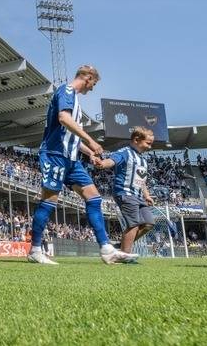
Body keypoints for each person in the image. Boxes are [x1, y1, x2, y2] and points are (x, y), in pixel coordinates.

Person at [28, 65, 136, 265]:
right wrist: (92, 141)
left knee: (94, 197)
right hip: (54, 155)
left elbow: (70, 136)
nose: (93, 88)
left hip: (71, 158)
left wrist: (89, 152)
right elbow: (64, 119)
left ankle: (106, 249)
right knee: (49, 200)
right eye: (94, 83)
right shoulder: (67, 91)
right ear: (87, 77)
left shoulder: (74, 99)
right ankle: (35, 250)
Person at [93, 126, 156, 261]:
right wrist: (102, 164)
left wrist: (147, 195)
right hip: (125, 193)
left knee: (149, 223)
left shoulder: (143, 160)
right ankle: (124, 255)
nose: (150, 147)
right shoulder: (125, 152)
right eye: (148, 143)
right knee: (133, 224)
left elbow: (141, 180)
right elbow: (112, 160)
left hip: (139, 196)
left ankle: (120, 247)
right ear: (136, 140)